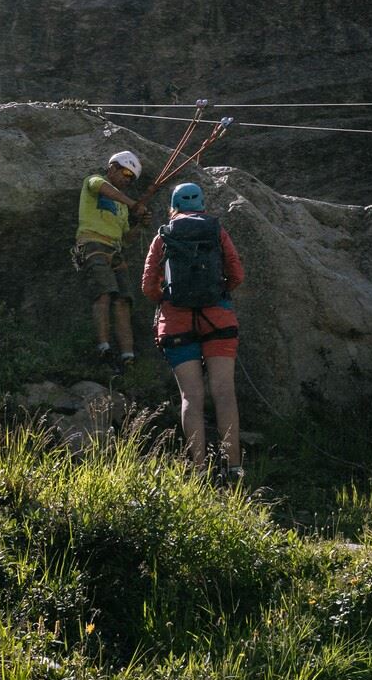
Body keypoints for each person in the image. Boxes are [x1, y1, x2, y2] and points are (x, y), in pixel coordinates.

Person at [141, 181, 245, 479]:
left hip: (176, 322)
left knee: (191, 397)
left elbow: (148, 285)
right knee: (224, 392)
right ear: (201, 205)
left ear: (173, 205)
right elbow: (237, 272)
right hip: (219, 319)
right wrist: (218, 293)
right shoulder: (215, 230)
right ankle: (233, 467)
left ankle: (199, 470)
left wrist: (168, 300)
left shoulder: (164, 235)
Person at [73, 148, 146, 366]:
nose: (128, 180)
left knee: (123, 300)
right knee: (104, 293)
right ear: (112, 168)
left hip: (115, 249)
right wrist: (133, 203)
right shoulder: (94, 181)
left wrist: (140, 225)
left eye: (131, 179)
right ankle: (103, 346)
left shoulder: (122, 208)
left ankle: (127, 355)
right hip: (92, 243)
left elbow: (126, 239)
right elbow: (104, 188)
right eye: (125, 174)